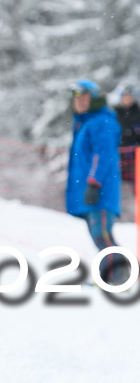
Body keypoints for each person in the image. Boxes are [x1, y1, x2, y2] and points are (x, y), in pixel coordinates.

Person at [66, 80, 125, 285]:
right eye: (76, 99)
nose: (80, 102)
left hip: (101, 189)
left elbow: (104, 153)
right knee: (97, 234)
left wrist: (93, 182)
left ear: (94, 99)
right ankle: (108, 275)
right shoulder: (85, 123)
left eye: (84, 98)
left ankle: (121, 276)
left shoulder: (102, 121)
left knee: (101, 233)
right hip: (91, 189)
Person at [114, 85, 140, 184]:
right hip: (119, 153)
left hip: (136, 153)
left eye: (129, 96)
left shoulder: (137, 112)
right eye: (125, 97)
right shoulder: (115, 113)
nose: (127, 99)